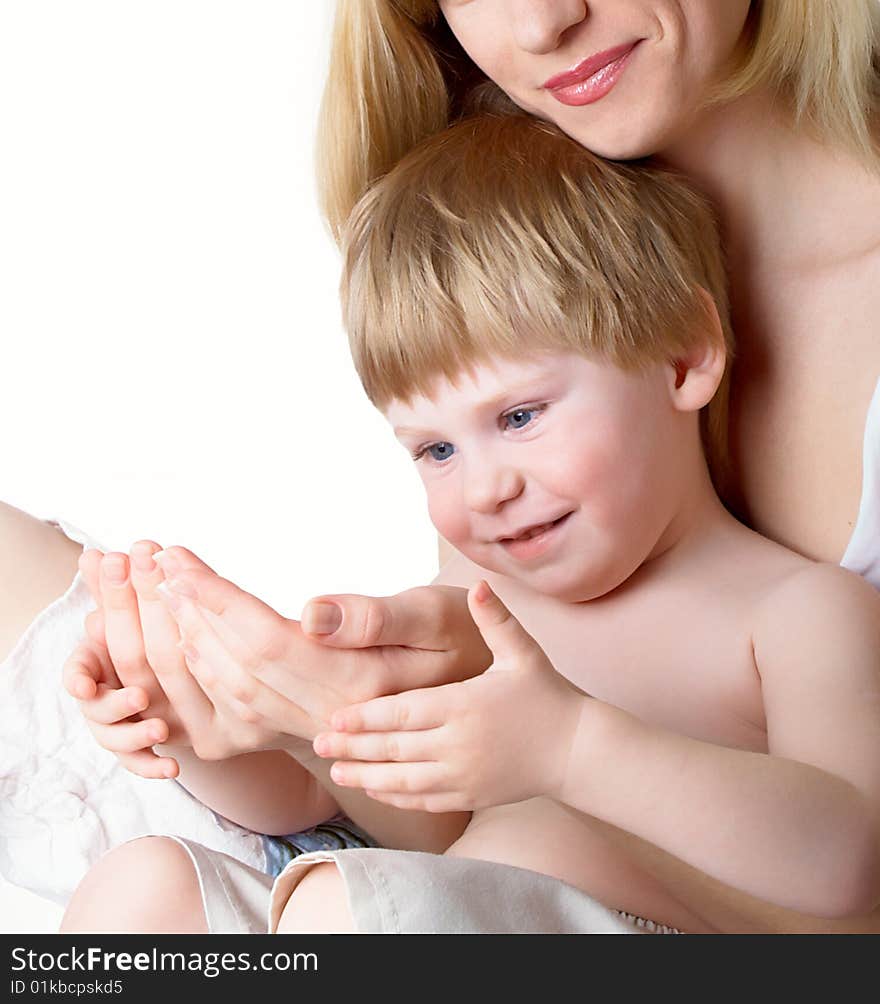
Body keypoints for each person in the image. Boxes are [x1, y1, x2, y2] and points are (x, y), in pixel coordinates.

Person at [4, 0, 879, 933]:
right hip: (423, 906)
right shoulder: (502, 588)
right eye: (435, 450)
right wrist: (254, 727)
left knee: (401, 890)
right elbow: (418, 830)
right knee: (149, 887)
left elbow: (856, 869)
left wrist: (574, 749)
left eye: (520, 416)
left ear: (684, 358)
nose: (483, 485)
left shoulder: (797, 616)